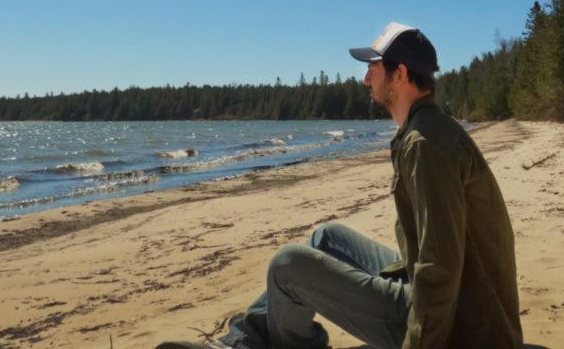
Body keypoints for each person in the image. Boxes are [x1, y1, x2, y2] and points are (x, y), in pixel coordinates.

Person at [157, 22, 522, 349]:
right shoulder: (425, 131)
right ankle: (243, 343)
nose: (365, 79)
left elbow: (439, 267)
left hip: (461, 330)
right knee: (327, 238)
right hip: (449, 302)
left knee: (287, 266)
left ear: (400, 75)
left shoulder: (426, 145)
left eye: (372, 69)